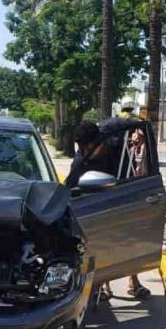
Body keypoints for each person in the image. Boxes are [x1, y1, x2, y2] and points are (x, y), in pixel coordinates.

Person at [64, 118, 152, 301]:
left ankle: (133, 282)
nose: (83, 152)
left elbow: (128, 123)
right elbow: (69, 186)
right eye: (80, 148)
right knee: (101, 244)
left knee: (130, 238)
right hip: (98, 204)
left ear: (98, 142)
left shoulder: (115, 142)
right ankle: (101, 285)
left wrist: (139, 130)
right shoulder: (82, 159)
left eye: (86, 148)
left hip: (121, 195)